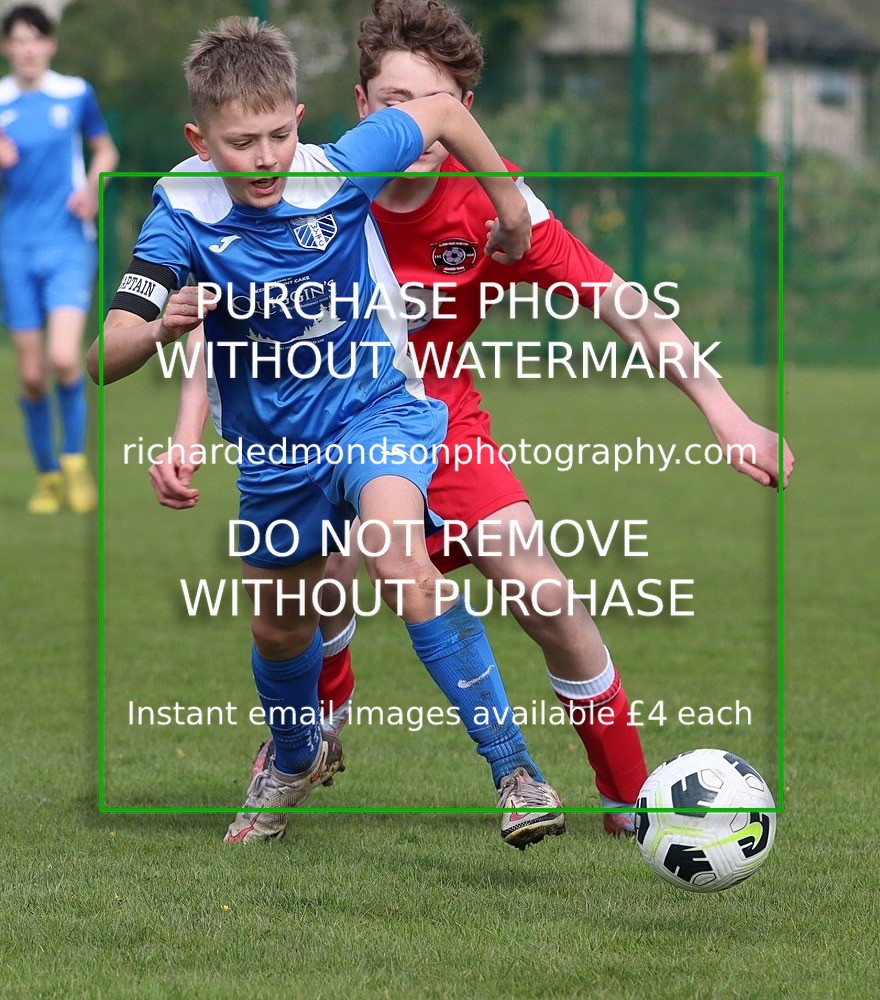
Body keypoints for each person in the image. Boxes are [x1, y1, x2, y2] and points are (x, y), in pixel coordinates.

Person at [89, 15, 567, 848]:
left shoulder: (341, 166)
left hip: (376, 406)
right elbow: (103, 356)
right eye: (242, 142)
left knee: (397, 552)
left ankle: (517, 773)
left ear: (301, 121)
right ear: (199, 139)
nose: (266, 156)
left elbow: (447, 116)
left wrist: (512, 212)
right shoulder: (180, 215)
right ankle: (297, 756)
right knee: (281, 623)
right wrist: (161, 324)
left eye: (279, 133)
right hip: (278, 451)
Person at [0, 4, 118, 514]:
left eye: (36, 39)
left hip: (69, 243)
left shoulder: (74, 93)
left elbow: (106, 150)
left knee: (66, 358)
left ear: (50, 44)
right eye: (18, 40)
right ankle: (47, 475)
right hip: (12, 248)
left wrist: (93, 185)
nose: (27, 48)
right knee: (30, 376)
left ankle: (74, 464)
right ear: (7, 48)